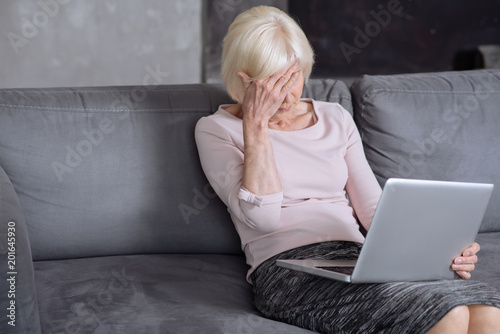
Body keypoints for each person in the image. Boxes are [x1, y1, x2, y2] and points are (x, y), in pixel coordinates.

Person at [195, 5, 500, 333]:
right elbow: (263, 219)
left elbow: (372, 210)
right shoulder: (216, 129)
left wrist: (441, 248)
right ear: (244, 80)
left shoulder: (334, 117)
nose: (285, 94)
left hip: (355, 257)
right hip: (286, 270)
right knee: (447, 315)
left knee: (485, 310)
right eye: (270, 82)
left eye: (293, 75)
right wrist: (255, 126)